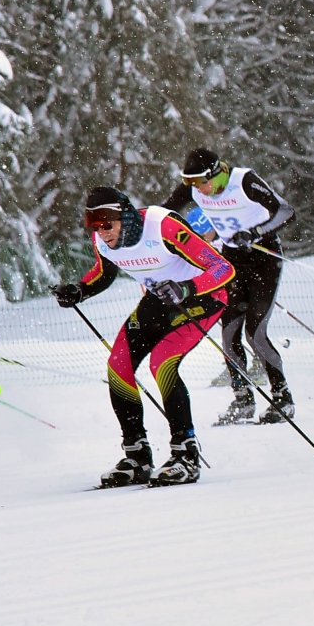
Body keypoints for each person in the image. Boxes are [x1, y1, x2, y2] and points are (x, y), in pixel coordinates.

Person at [53, 187, 236, 486]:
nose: (102, 232)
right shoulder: (104, 240)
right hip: (160, 299)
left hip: (202, 297)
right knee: (118, 365)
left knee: (161, 363)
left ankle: (185, 454)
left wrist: (187, 288)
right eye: (94, 225)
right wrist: (79, 290)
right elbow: (104, 272)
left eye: (107, 224)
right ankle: (137, 455)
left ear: (123, 215)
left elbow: (222, 268)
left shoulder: (163, 226)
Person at [164, 148, 296, 425]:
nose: (196, 188)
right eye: (189, 182)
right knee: (229, 334)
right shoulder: (194, 187)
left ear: (215, 173)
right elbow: (164, 214)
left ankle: (283, 398)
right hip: (232, 263)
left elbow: (285, 211)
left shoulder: (243, 180)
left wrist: (256, 232)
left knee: (255, 333)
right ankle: (243, 400)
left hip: (264, 260)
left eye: (200, 180)